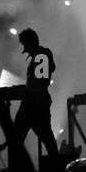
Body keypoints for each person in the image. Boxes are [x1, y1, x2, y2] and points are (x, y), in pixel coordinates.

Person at [11, 28, 59, 159]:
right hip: (37, 102)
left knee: (19, 137)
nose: (25, 50)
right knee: (46, 138)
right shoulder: (41, 56)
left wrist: (23, 90)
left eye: (25, 45)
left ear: (30, 42)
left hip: (34, 103)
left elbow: (39, 82)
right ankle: (57, 168)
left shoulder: (42, 56)